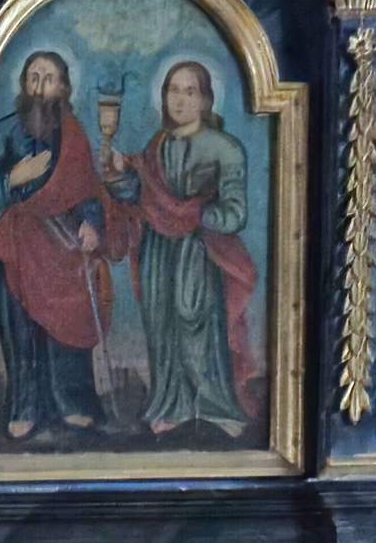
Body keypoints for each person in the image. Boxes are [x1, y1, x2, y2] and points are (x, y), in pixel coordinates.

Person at [102, 58, 259, 440]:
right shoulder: (157, 147)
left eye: (190, 91)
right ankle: (169, 405)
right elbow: (138, 197)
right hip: (158, 252)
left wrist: (192, 213)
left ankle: (215, 405)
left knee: (198, 323)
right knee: (162, 325)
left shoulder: (225, 148)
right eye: (174, 90)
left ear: (205, 99)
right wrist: (120, 175)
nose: (180, 99)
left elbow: (235, 213)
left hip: (201, 254)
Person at [0, 50, 109, 441]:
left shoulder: (74, 135)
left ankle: (73, 402)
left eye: (48, 78)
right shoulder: (4, 132)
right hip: (18, 243)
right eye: (33, 77)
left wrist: (91, 223)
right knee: (22, 330)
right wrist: (13, 177)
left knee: (67, 326)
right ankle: (24, 407)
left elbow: (88, 189)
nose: (39, 86)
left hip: (64, 244)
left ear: (63, 87)